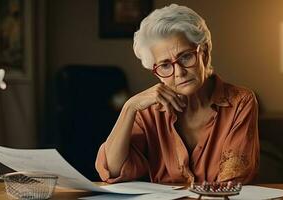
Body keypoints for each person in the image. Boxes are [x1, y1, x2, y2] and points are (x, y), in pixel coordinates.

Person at [95, 4, 259, 184]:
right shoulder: (148, 112)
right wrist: (129, 107)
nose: (179, 72)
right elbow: (112, 170)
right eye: (165, 65)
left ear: (203, 52)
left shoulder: (240, 102)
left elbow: (232, 183)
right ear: (156, 72)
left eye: (186, 57)